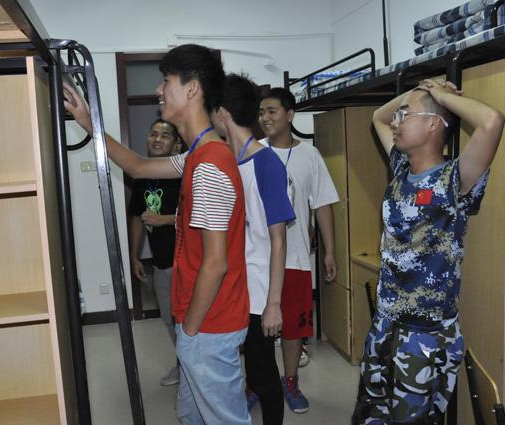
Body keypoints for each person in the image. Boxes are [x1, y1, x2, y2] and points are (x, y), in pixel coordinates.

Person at [63, 43, 251, 425]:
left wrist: (191, 330)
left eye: (167, 81)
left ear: (192, 89)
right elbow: (137, 165)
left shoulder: (210, 165)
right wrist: (87, 120)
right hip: (199, 321)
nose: (158, 90)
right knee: (192, 416)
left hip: (209, 325)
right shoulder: (198, 155)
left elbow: (216, 264)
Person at [352, 79, 504, 424]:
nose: (396, 121)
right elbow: (378, 116)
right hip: (386, 321)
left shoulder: (455, 179)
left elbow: (492, 121)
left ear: (434, 123)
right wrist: (414, 93)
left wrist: (440, 96)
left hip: (425, 333)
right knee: (371, 414)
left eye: (404, 114)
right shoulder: (401, 169)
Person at [210, 74, 295, 424]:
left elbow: (279, 239)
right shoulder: (225, 160)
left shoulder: (266, 163)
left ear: (223, 113)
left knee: (262, 373)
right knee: (241, 371)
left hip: (259, 292)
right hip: (231, 285)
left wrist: (274, 304)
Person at [258, 87, 339, 414]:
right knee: (256, 328)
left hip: (297, 258)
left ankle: (290, 381)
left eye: (272, 111)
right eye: (261, 112)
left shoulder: (310, 155)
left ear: (290, 114)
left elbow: (323, 205)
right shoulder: (252, 153)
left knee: (293, 326)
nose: (264, 118)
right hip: (258, 259)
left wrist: (330, 251)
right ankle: (256, 383)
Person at [128, 119, 183, 387]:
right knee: (169, 319)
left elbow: (199, 215)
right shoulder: (142, 175)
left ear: (176, 144)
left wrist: (165, 220)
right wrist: (134, 256)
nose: (157, 139)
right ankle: (183, 365)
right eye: (153, 134)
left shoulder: (185, 172)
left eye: (165, 135)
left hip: (186, 262)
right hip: (161, 262)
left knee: (188, 320)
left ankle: (192, 369)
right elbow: (137, 218)